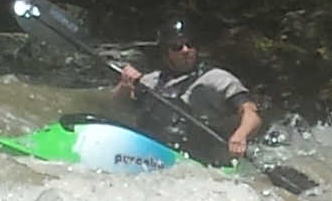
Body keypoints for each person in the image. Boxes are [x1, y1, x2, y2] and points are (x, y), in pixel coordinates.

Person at [112, 16, 263, 166]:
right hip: (151, 156)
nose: (185, 50)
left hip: (199, 161)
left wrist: (240, 135)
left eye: (190, 45)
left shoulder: (217, 80)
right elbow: (117, 108)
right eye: (176, 47)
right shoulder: (150, 82)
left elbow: (251, 113)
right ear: (165, 53)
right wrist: (125, 85)